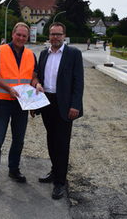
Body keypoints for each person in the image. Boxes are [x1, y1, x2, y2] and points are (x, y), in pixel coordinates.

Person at [0, 22, 39, 196]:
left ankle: (13, 170)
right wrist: (9, 89)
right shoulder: (0, 51)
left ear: (27, 37)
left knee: (19, 140)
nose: (21, 38)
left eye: (25, 36)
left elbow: (33, 77)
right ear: (13, 34)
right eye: (19, 35)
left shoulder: (31, 55)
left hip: (21, 104)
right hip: (2, 102)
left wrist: (37, 86)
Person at [32, 22, 84, 200]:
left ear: (64, 36)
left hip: (65, 104)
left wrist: (75, 105)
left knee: (62, 143)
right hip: (47, 102)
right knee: (51, 139)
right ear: (49, 35)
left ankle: (60, 182)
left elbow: (78, 82)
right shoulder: (43, 53)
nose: (55, 37)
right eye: (52, 34)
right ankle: (55, 171)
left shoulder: (73, 54)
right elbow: (38, 75)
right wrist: (37, 87)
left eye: (58, 34)